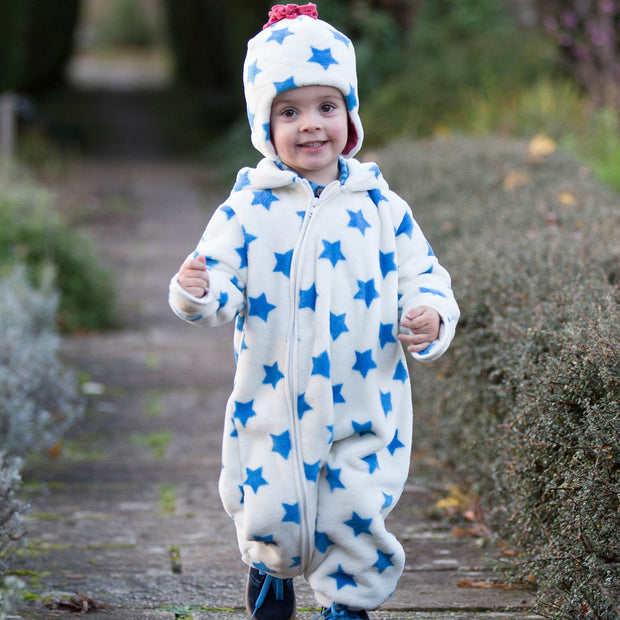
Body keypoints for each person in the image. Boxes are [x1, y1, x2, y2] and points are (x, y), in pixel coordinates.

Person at [168, 4, 459, 619]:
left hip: (364, 401)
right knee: (269, 506)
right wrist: (198, 291)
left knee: (355, 512)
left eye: (327, 107)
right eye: (289, 111)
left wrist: (429, 314)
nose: (310, 126)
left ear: (349, 117)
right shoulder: (247, 209)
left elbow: (424, 274)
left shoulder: (382, 207)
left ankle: (348, 606)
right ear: (263, 123)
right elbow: (217, 281)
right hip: (272, 404)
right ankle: (271, 577)